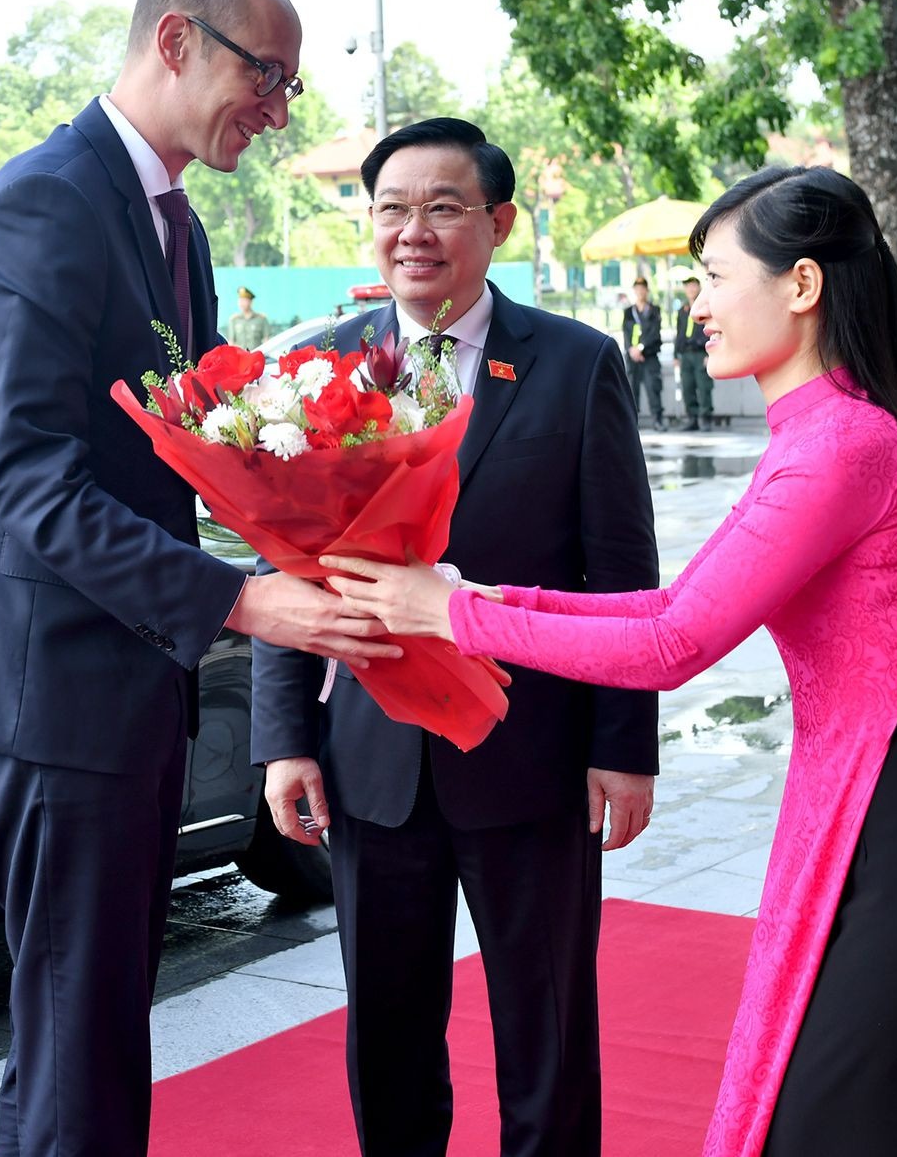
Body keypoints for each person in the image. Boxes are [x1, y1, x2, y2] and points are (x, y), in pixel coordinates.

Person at [319, 165, 897, 1157]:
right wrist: (462, 603)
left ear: (802, 286)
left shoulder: (840, 448)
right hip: (866, 817)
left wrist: (459, 612)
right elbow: (663, 612)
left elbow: (671, 641)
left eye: (713, 276)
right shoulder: (817, 435)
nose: (694, 303)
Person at [0, 0, 399, 1157]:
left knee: (87, 1032)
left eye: (290, 87)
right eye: (267, 76)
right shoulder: (45, 205)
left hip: (123, 688)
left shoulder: (170, 226)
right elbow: (29, 486)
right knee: (80, 1037)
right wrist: (247, 602)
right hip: (53, 691)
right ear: (177, 41)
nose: (280, 111)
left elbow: (174, 463)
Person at [254, 118, 658, 1156]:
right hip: (373, 768)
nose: (413, 231)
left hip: (532, 755)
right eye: (392, 208)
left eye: (443, 207)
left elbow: (619, 572)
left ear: (498, 222)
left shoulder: (573, 366)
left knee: (548, 1029)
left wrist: (623, 747)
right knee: (386, 1036)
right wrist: (285, 738)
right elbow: (281, 564)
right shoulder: (312, 371)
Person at [621, 275, 665, 428]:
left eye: (643, 289)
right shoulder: (628, 312)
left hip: (649, 356)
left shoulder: (654, 310)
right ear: (634, 291)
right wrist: (631, 349)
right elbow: (625, 333)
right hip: (632, 357)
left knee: (653, 387)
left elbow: (654, 333)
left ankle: (657, 419)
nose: (640, 292)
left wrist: (641, 348)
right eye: (637, 289)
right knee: (631, 389)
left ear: (647, 290)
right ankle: (631, 423)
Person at [674, 272, 712, 430]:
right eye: (687, 286)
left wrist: (710, 353)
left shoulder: (705, 307)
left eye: (693, 285)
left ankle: (705, 418)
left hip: (700, 353)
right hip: (686, 354)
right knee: (687, 386)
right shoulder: (683, 310)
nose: (690, 288)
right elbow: (679, 333)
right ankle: (692, 418)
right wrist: (676, 354)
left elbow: (712, 329)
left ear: (698, 287)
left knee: (703, 387)